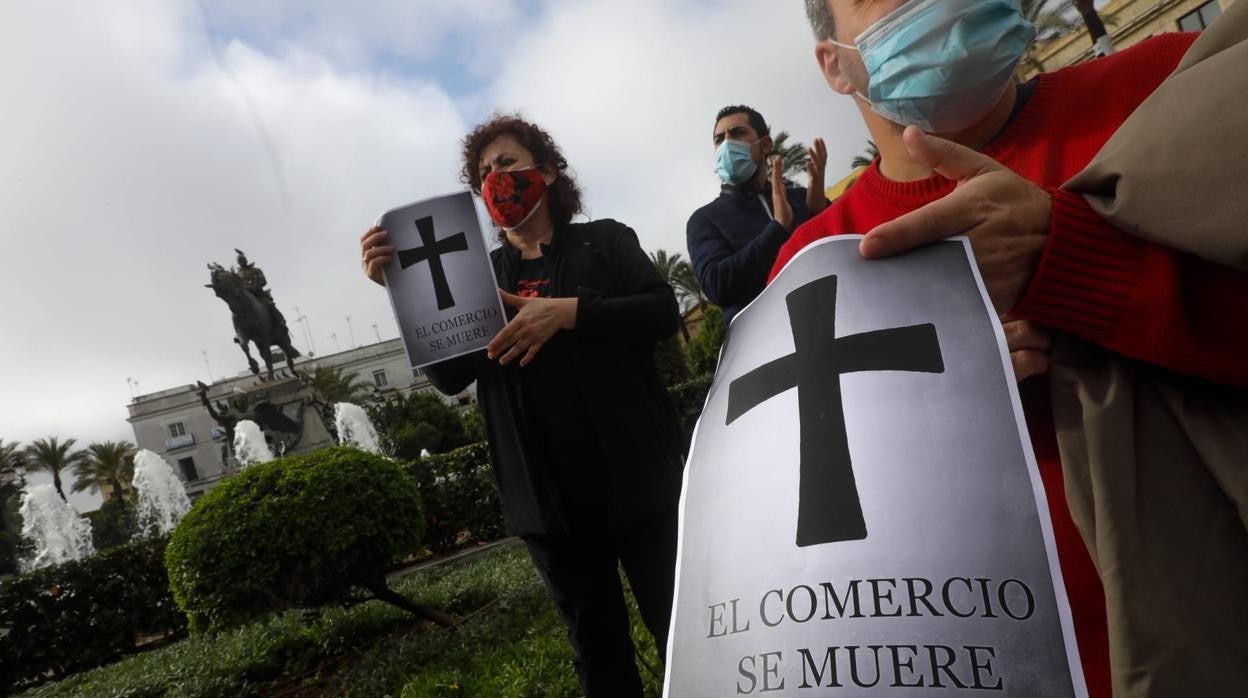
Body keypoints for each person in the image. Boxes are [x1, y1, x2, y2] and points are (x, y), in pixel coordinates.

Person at [781, 1, 1248, 696]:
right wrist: (913, 415)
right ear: (833, 65)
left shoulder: (1170, 83)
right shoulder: (811, 264)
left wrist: (1075, 265)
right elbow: (806, 533)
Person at [359, 114, 685, 697]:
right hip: (550, 505)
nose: (495, 179)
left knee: (681, 628)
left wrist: (567, 313)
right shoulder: (477, 275)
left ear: (549, 172)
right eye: (484, 172)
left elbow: (661, 312)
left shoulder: (606, 241)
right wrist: (402, 292)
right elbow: (451, 374)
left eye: (507, 164)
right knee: (598, 655)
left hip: (639, 483)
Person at [686, 105, 829, 323]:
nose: (726, 144)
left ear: (765, 145)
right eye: (719, 139)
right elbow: (717, 286)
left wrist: (822, 211)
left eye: (737, 133)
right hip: (768, 346)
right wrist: (778, 229)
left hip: (829, 320)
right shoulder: (704, 220)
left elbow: (841, 247)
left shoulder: (801, 198)